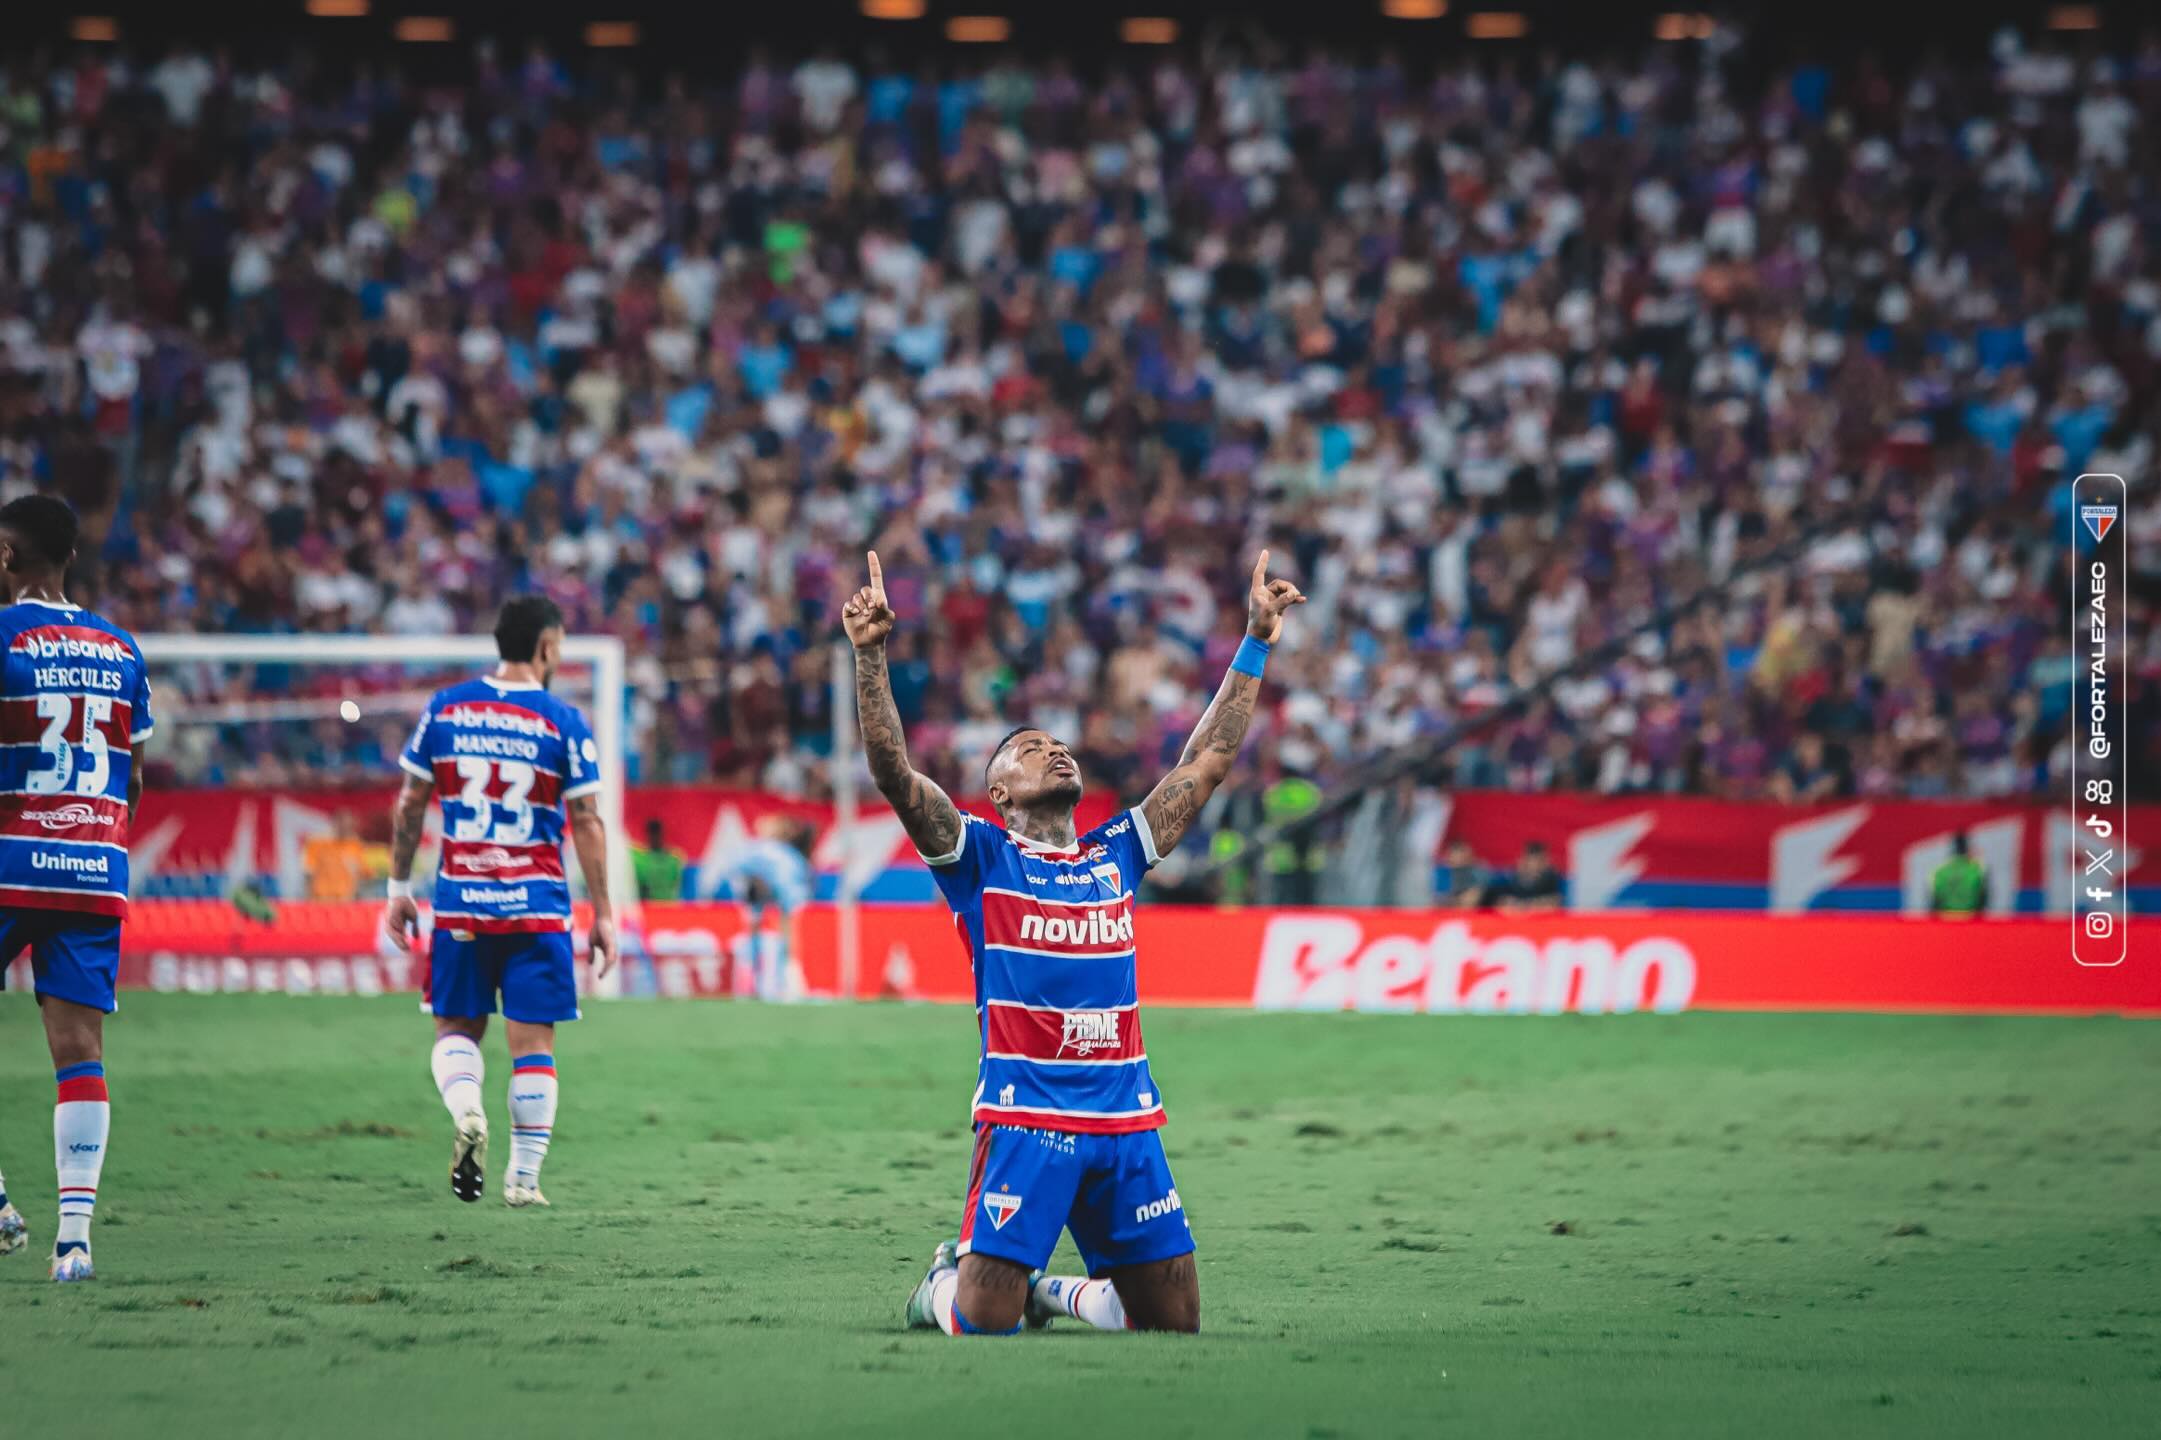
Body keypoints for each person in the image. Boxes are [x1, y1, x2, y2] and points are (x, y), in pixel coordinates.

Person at [846, 547, 1304, 1337]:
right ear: (998, 792)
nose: (1054, 749)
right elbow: (893, 772)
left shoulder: (1115, 852)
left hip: (1126, 1119)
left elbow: (1210, 759)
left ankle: (1051, 1291)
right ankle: (938, 1288)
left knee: (1172, 1325)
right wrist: (871, 656)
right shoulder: (980, 857)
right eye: (1029, 748)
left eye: (1059, 743)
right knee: (981, 1322)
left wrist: (1257, 638)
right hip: (1027, 1121)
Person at [381, 596, 617, 1209]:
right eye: (559, 647)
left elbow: (409, 804)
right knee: (533, 1044)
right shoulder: (562, 719)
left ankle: (466, 1110)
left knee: (456, 1027)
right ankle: (524, 1179)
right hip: (536, 907)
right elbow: (587, 820)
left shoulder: (447, 707)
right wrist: (604, 913)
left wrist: (398, 889)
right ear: (545, 647)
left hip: (461, 903)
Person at [0, 495, 155, 1283]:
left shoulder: (2, 634)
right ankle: (74, 1242)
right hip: (94, 867)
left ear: (6, 555)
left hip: (9, 857)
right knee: (79, 1052)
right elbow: (135, 777)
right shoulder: (122, 647)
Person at [716, 813, 815, 1001]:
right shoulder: (761, 855)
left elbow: (793, 901)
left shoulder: (786, 864)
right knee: (760, 929)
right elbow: (733, 869)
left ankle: (784, 981)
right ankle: (755, 982)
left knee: (783, 931)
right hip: (755, 884)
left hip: (771, 885)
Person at [303, 810, 370, 901]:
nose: (345, 829)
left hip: (346, 899)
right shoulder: (317, 843)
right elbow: (309, 873)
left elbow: (364, 875)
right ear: (334, 823)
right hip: (321, 899)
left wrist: (355, 892)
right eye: (342, 825)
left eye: (348, 826)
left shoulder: (356, 846)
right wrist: (309, 897)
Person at [1929, 832, 1990, 917]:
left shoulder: (1939, 872)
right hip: (1971, 920)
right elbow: (1984, 899)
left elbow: (1934, 902)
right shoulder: (1978, 870)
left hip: (1945, 920)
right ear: (1968, 849)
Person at [1494, 840, 1564, 912]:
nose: (1534, 867)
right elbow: (1501, 903)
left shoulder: (1553, 878)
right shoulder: (1508, 878)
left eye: (1540, 862)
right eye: (1531, 861)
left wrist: (1526, 905)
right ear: (1522, 860)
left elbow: (1554, 903)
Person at [630, 817, 686, 902]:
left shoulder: (673, 859)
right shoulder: (673, 859)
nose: (654, 838)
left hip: (662, 907)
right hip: (658, 907)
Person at [1440, 839, 1491, 908]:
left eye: (1461, 855)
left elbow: (1478, 891)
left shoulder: (1477, 870)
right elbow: (1439, 896)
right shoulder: (1442, 872)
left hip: (1477, 907)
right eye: (1455, 855)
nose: (1458, 858)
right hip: (1448, 907)